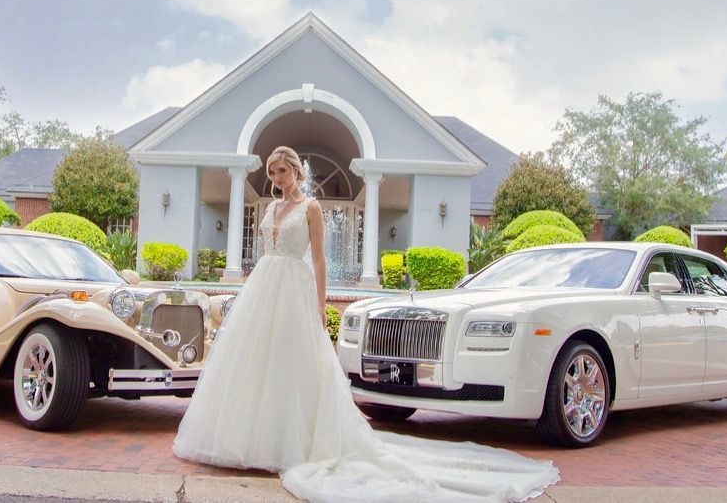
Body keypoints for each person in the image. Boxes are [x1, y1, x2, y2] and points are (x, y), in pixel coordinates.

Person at [173, 145, 559, 502]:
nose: (277, 178)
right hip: (263, 288)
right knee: (256, 362)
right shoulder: (270, 210)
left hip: (294, 288)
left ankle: (292, 443)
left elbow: (320, 261)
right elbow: (263, 254)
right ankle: (252, 440)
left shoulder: (311, 208)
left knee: (293, 362)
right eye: (273, 173)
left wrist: (320, 308)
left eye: (283, 171)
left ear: (295, 170)